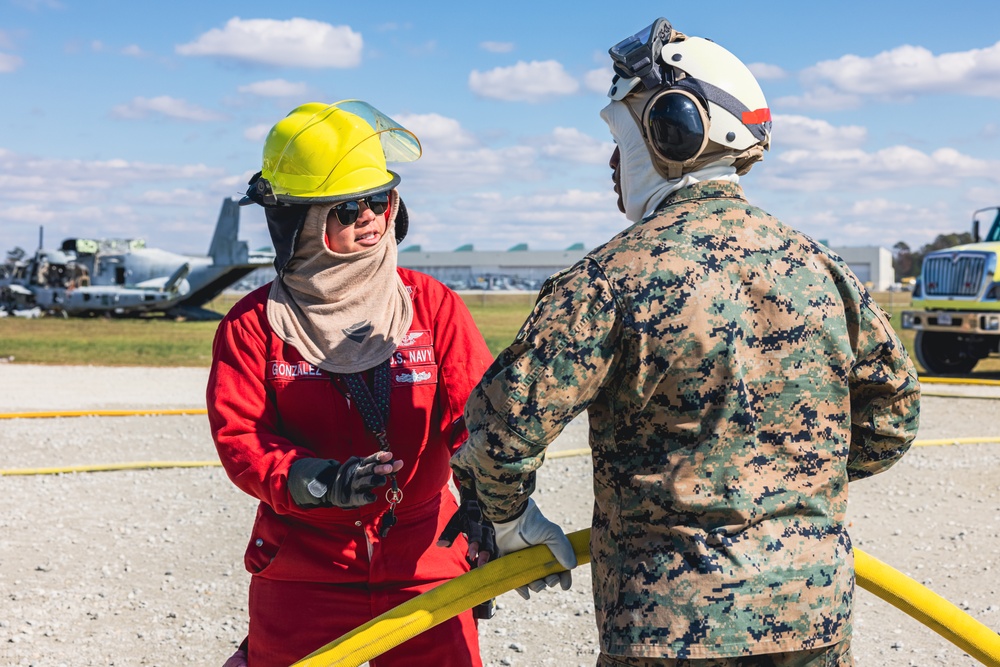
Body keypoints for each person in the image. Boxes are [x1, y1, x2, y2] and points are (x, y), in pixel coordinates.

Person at [449, 19, 920, 667]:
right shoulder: (824, 270)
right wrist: (785, 489)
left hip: (666, 627)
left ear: (674, 130)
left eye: (622, 139)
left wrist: (506, 520)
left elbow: (500, 437)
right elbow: (894, 416)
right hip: (809, 617)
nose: (612, 163)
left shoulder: (608, 280)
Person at [207, 100, 494, 667]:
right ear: (301, 224)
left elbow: (478, 417)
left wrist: (490, 507)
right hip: (304, 562)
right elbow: (241, 438)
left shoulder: (432, 306)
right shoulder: (252, 325)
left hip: (426, 556)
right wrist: (319, 482)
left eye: (379, 200)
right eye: (346, 208)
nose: (369, 216)